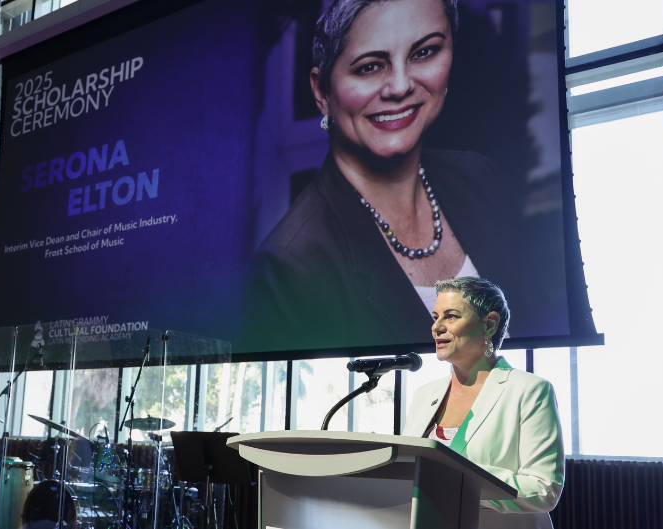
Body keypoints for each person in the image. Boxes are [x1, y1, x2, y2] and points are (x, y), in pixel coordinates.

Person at [239, 0, 567, 352]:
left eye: (424, 52)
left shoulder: (480, 178)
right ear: (322, 92)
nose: (399, 86)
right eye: (369, 67)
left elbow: (542, 331)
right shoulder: (287, 270)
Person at [403, 277, 564, 529]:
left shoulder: (530, 391)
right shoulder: (424, 396)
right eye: (435, 316)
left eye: (451, 316)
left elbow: (543, 489)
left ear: (489, 324)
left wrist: (459, 480)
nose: (437, 327)